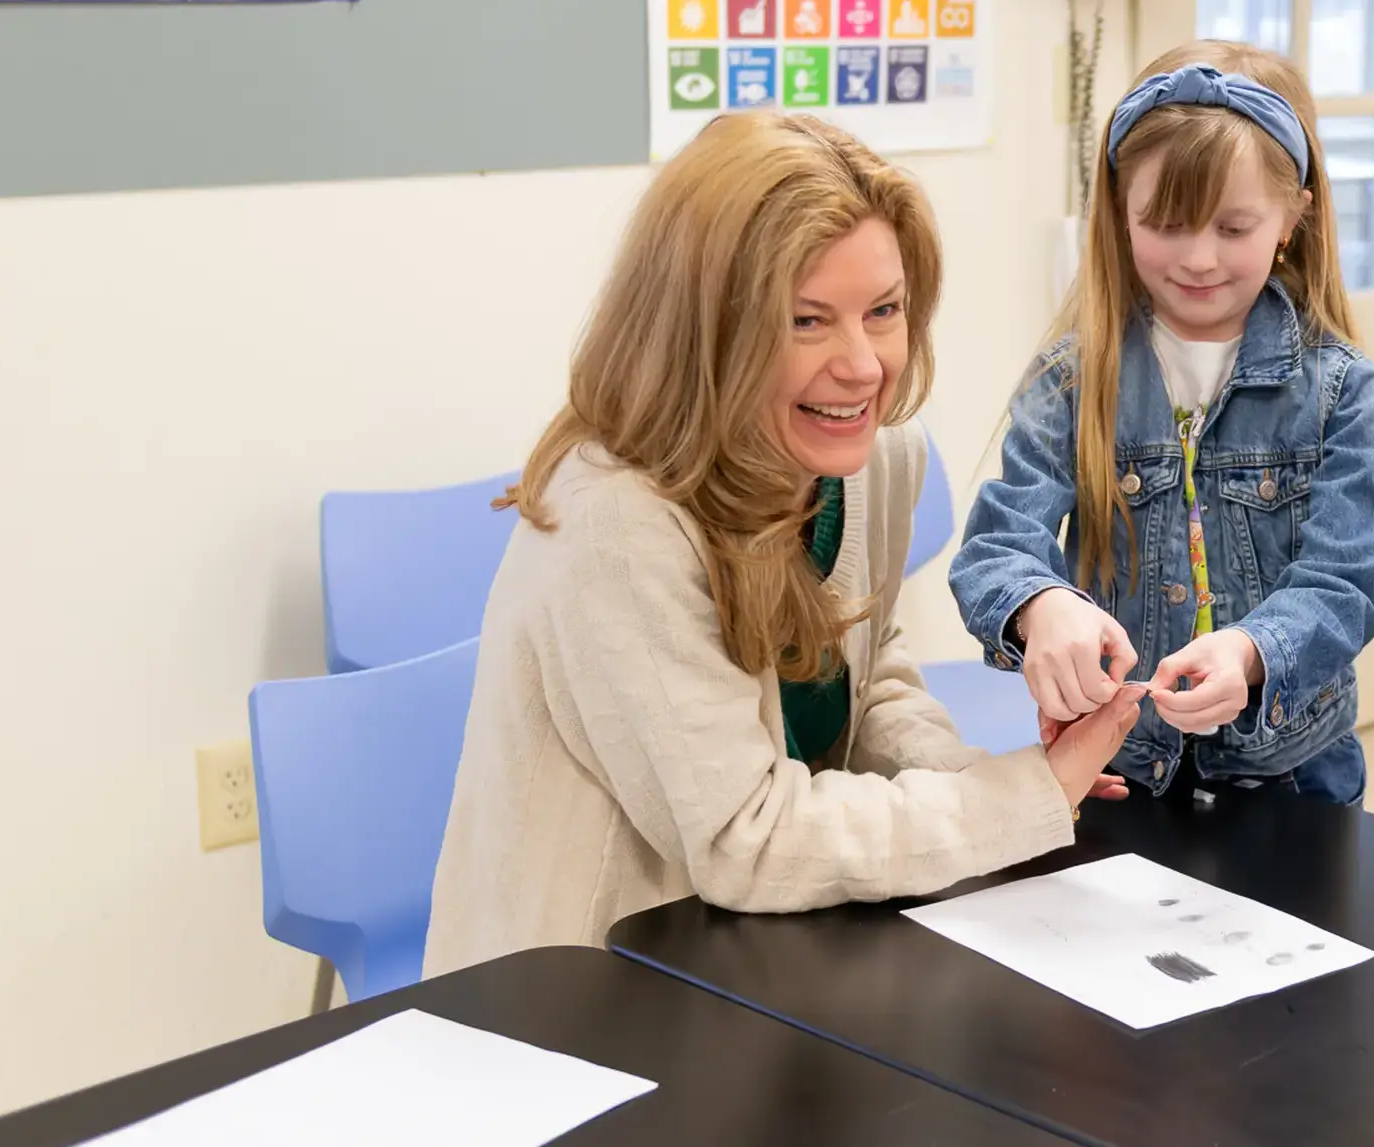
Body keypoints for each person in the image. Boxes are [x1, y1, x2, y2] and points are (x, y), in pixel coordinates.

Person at [423, 112, 1142, 977]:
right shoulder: (615, 526)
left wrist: (998, 778)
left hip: (764, 949)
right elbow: (747, 837)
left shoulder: (876, 457)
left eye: (883, 310)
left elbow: (866, 683)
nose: (863, 365)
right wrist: (1014, 801)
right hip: (578, 991)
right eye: (806, 321)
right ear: (700, 330)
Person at [949, 42, 1374, 805]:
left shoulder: (1345, 392)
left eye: (1233, 227)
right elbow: (998, 546)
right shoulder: (1071, 379)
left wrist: (1252, 650)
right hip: (1118, 769)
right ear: (1119, 211)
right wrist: (1039, 605)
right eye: (1165, 222)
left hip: (1295, 783)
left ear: (1293, 216)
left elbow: (1343, 585)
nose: (1197, 258)